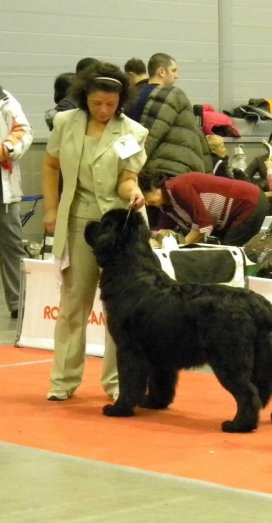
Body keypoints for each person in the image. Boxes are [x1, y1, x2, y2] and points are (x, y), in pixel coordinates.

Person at [41, 62, 148, 402]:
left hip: (120, 225)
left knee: (123, 307)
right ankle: (63, 380)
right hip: (78, 220)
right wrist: (51, 209)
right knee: (74, 303)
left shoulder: (132, 132)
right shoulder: (64, 123)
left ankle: (118, 384)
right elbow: (51, 164)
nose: (104, 110)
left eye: (111, 104)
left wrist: (132, 190)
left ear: (121, 101)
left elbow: (127, 178)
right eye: (97, 103)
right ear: (85, 97)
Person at [138, 172, 269, 246]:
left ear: (154, 187)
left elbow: (204, 224)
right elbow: (162, 228)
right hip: (234, 212)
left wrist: (180, 247)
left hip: (249, 202)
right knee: (222, 252)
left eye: (145, 197)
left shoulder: (178, 187)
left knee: (228, 254)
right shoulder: (165, 204)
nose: (147, 203)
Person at [0, 87, 33, 318]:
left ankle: (19, 303)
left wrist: (6, 148)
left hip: (4, 192)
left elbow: (23, 130)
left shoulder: (5, 99)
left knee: (12, 247)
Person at [125, 52, 178, 122]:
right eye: (173, 71)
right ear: (161, 72)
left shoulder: (134, 96)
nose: (177, 76)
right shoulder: (173, 96)